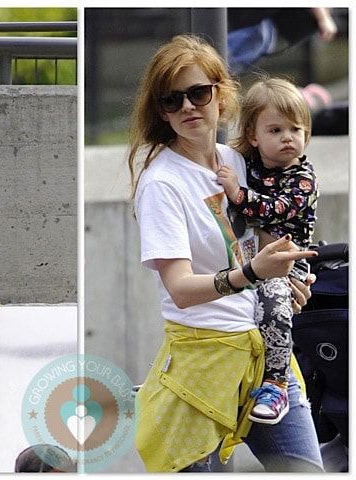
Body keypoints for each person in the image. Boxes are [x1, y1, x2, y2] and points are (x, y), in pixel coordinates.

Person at [127, 34, 322, 472]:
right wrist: (253, 273)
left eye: (198, 93)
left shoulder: (239, 161)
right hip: (202, 365)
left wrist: (286, 280)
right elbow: (179, 289)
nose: (188, 107)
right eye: (171, 100)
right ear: (160, 110)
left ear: (221, 94)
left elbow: (266, 235)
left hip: (265, 356)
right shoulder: (162, 185)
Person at [218, 78, 317, 426]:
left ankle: (276, 383)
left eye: (296, 128)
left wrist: (238, 193)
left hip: (288, 265)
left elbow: (274, 209)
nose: (288, 137)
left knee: (275, 301)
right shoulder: (248, 163)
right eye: (276, 129)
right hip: (250, 262)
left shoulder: (303, 178)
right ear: (254, 136)